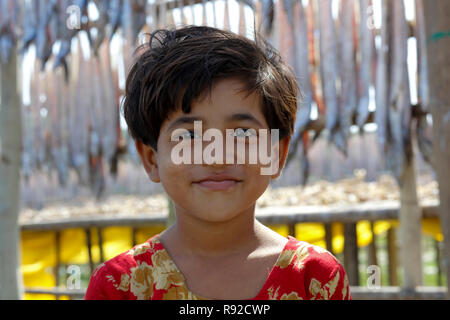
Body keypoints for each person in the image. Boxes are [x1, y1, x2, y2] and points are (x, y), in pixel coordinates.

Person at [84, 25, 351, 300]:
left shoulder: (315, 278)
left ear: (276, 154)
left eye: (242, 133)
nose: (217, 155)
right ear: (151, 159)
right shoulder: (119, 285)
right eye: (189, 135)